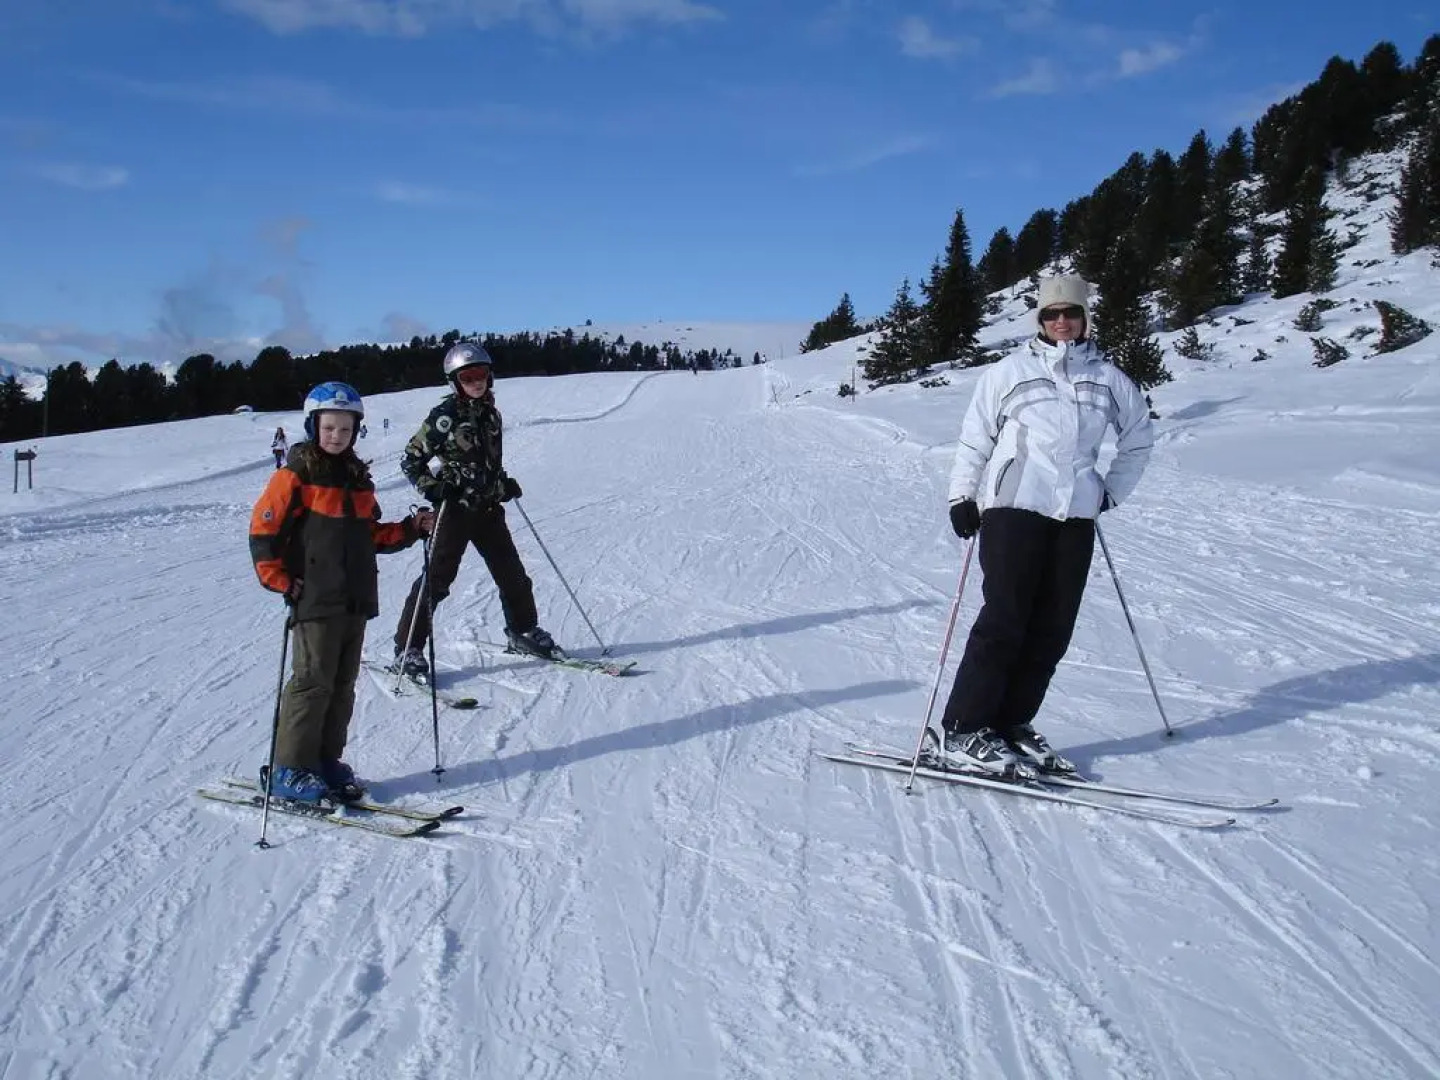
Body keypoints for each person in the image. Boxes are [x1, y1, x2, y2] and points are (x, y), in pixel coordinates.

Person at [934, 274, 1153, 776]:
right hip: (1014, 508)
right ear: (1039, 319)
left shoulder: (1109, 379)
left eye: (1070, 313)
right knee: (1005, 620)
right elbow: (975, 439)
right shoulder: (1010, 371)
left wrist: (1110, 490)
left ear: (1085, 318)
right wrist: (961, 495)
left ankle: (1010, 724)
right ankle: (964, 729)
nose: (1061, 322)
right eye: (1051, 315)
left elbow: (1139, 439)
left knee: (1053, 629)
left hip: (1074, 516)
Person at [249, 381, 434, 803]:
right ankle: (288, 768)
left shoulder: (358, 479)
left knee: (342, 683)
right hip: (315, 597)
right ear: (314, 426)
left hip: (355, 598)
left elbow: (371, 536)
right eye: (329, 427)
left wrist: (410, 529)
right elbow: (263, 531)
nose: (337, 436)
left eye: (345, 429)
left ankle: (325, 760)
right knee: (312, 683)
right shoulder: (294, 474)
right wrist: (279, 579)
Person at [391, 341, 560, 678]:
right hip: (454, 511)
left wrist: (502, 483)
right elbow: (411, 459)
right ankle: (408, 648)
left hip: (487, 509)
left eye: (480, 374)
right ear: (454, 382)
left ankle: (522, 631)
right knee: (436, 580)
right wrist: (434, 487)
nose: (476, 382)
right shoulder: (444, 417)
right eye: (467, 377)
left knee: (512, 574)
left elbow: (489, 462)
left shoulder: (491, 415)